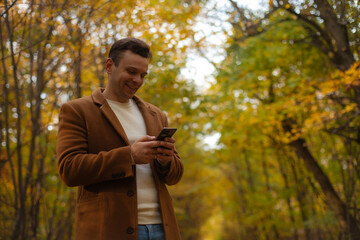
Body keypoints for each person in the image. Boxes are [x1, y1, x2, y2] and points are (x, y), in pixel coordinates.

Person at [56, 37, 183, 240]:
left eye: (143, 75)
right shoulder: (77, 110)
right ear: (109, 66)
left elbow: (174, 176)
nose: (138, 81)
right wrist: (130, 156)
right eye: (131, 72)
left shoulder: (157, 115)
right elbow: (69, 169)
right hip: (108, 230)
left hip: (163, 229)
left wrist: (165, 161)